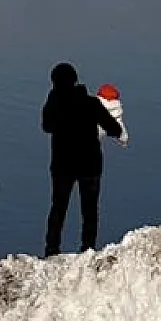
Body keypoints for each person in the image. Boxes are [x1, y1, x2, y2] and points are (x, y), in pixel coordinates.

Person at [41, 61, 124, 256]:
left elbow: (46, 126)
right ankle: (87, 248)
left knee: (58, 208)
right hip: (90, 164)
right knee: (90, 210)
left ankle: (52, 249)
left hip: (63, 165)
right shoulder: (91, 103)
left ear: (54, 83)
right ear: (75, 81)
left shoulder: (54, 103)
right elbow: (114, 129)